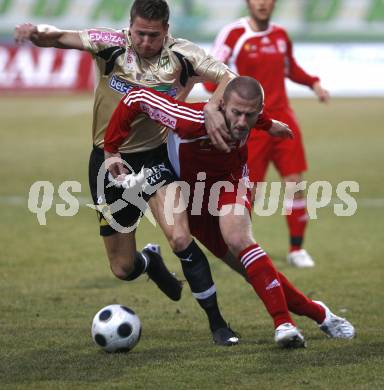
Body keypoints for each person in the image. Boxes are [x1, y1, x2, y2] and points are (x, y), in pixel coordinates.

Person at [14, 0, 239, 346]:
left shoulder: (182, 54)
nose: (145, 42)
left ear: (166, 30)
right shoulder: (110, 44)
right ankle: (148, 261)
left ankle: (218, 324)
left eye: (153, 35)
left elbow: (228, 76)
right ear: (129, 27)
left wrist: (212, 104)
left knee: (181, 238)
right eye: (139, 34)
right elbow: (61, 37)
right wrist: (35, 33)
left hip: (156, 159)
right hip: (109, 164)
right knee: (122, 268)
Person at [103, 76, 355, 348]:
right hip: (194, 199)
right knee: (252, 272)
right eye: (236, 113)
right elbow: (137, 98)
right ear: (221, 105)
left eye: (251, 115)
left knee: (239, 240)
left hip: (230, 183)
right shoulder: (191, 120)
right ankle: (321, 314)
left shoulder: (248, 115)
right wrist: (110, 149)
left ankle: (284, 324)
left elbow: (251, 114)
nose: (242, 122)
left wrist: (269, 124)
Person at [204, 0, 330, 268]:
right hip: (251, 126)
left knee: (295, 184)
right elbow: (211, 74)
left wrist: (313, 83)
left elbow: (290, 67)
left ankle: (297, 250)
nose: (262, 3)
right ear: (248, 2)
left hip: (284, 120)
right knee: (248, 191)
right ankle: (238, 245)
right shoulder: (234, 34)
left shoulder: (280, 35)